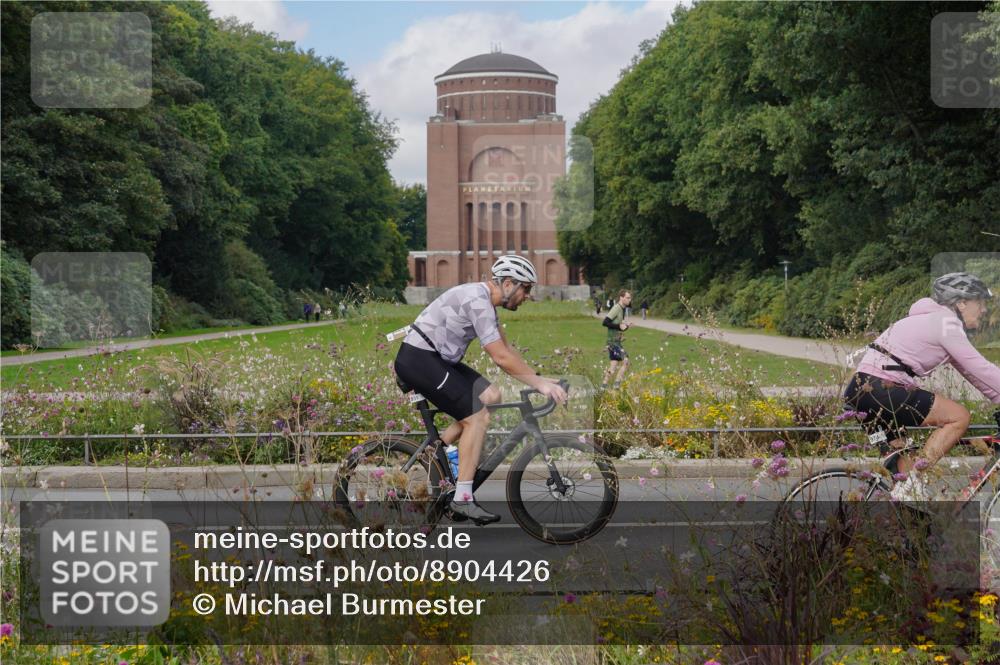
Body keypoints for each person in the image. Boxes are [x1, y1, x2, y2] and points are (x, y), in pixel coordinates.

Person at [393, 255, 568, 524]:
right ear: (508, 284)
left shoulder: (485, 303)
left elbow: (507, 350)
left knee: (491, 396)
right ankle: (462, 499)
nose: (528, 296)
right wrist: (540, 384)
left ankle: (443, 453)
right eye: (526, 289)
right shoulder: (479, 302)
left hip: (435, 359)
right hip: (419, 359)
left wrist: (541, 379)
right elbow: (500, 357)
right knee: (477, 417)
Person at [844, 272, 1000, 500]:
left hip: (861, 392)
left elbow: (972, 373)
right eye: (981, 303)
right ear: (962, 303)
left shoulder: (933, 321)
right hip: (882, 390)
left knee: (906, 486)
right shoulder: (946, 323)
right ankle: (917, 477)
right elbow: (980, 367)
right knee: (959, 417)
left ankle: (909, 523)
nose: (984, 310)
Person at [601, 290, 633, 390]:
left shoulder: (622, 309)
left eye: (630, 298)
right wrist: (619, 326)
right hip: (613, 342)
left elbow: (619, 327)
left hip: (615, 341)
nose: (629, 300)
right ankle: (617, 384)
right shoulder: (616, 308)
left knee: (613, 365)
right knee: (626, 361)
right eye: (627, 298)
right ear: (621, 297)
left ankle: (603, 386)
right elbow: (605, 322)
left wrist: (626, 326)